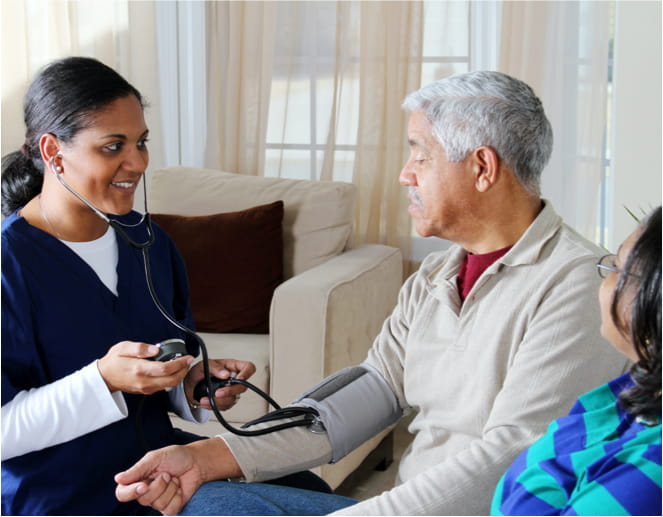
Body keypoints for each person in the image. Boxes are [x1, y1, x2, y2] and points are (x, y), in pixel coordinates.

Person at [114, 71, 630, 515]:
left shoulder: (579, 285)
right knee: (215, 482)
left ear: (482, 168)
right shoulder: (435, 277)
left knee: (213, 506)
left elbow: (513, 457)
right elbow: (368, 395)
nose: (405, 174)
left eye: (420, 156)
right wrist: (207, 457)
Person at [1, 57, 257, 515]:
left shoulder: (150, 243)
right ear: (53, 152)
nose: (137, 162)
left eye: (141, 142)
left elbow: (169, 364)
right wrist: (103, 380)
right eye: (113, 146)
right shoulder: (9, 265)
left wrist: (194, 384)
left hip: (164, 472)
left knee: (306, 486)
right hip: (63, 496)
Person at [491, 207, 661, 516]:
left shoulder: (651, 475)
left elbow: (521, 457)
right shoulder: (634, 389)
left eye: (618, 268)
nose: (406, 176)